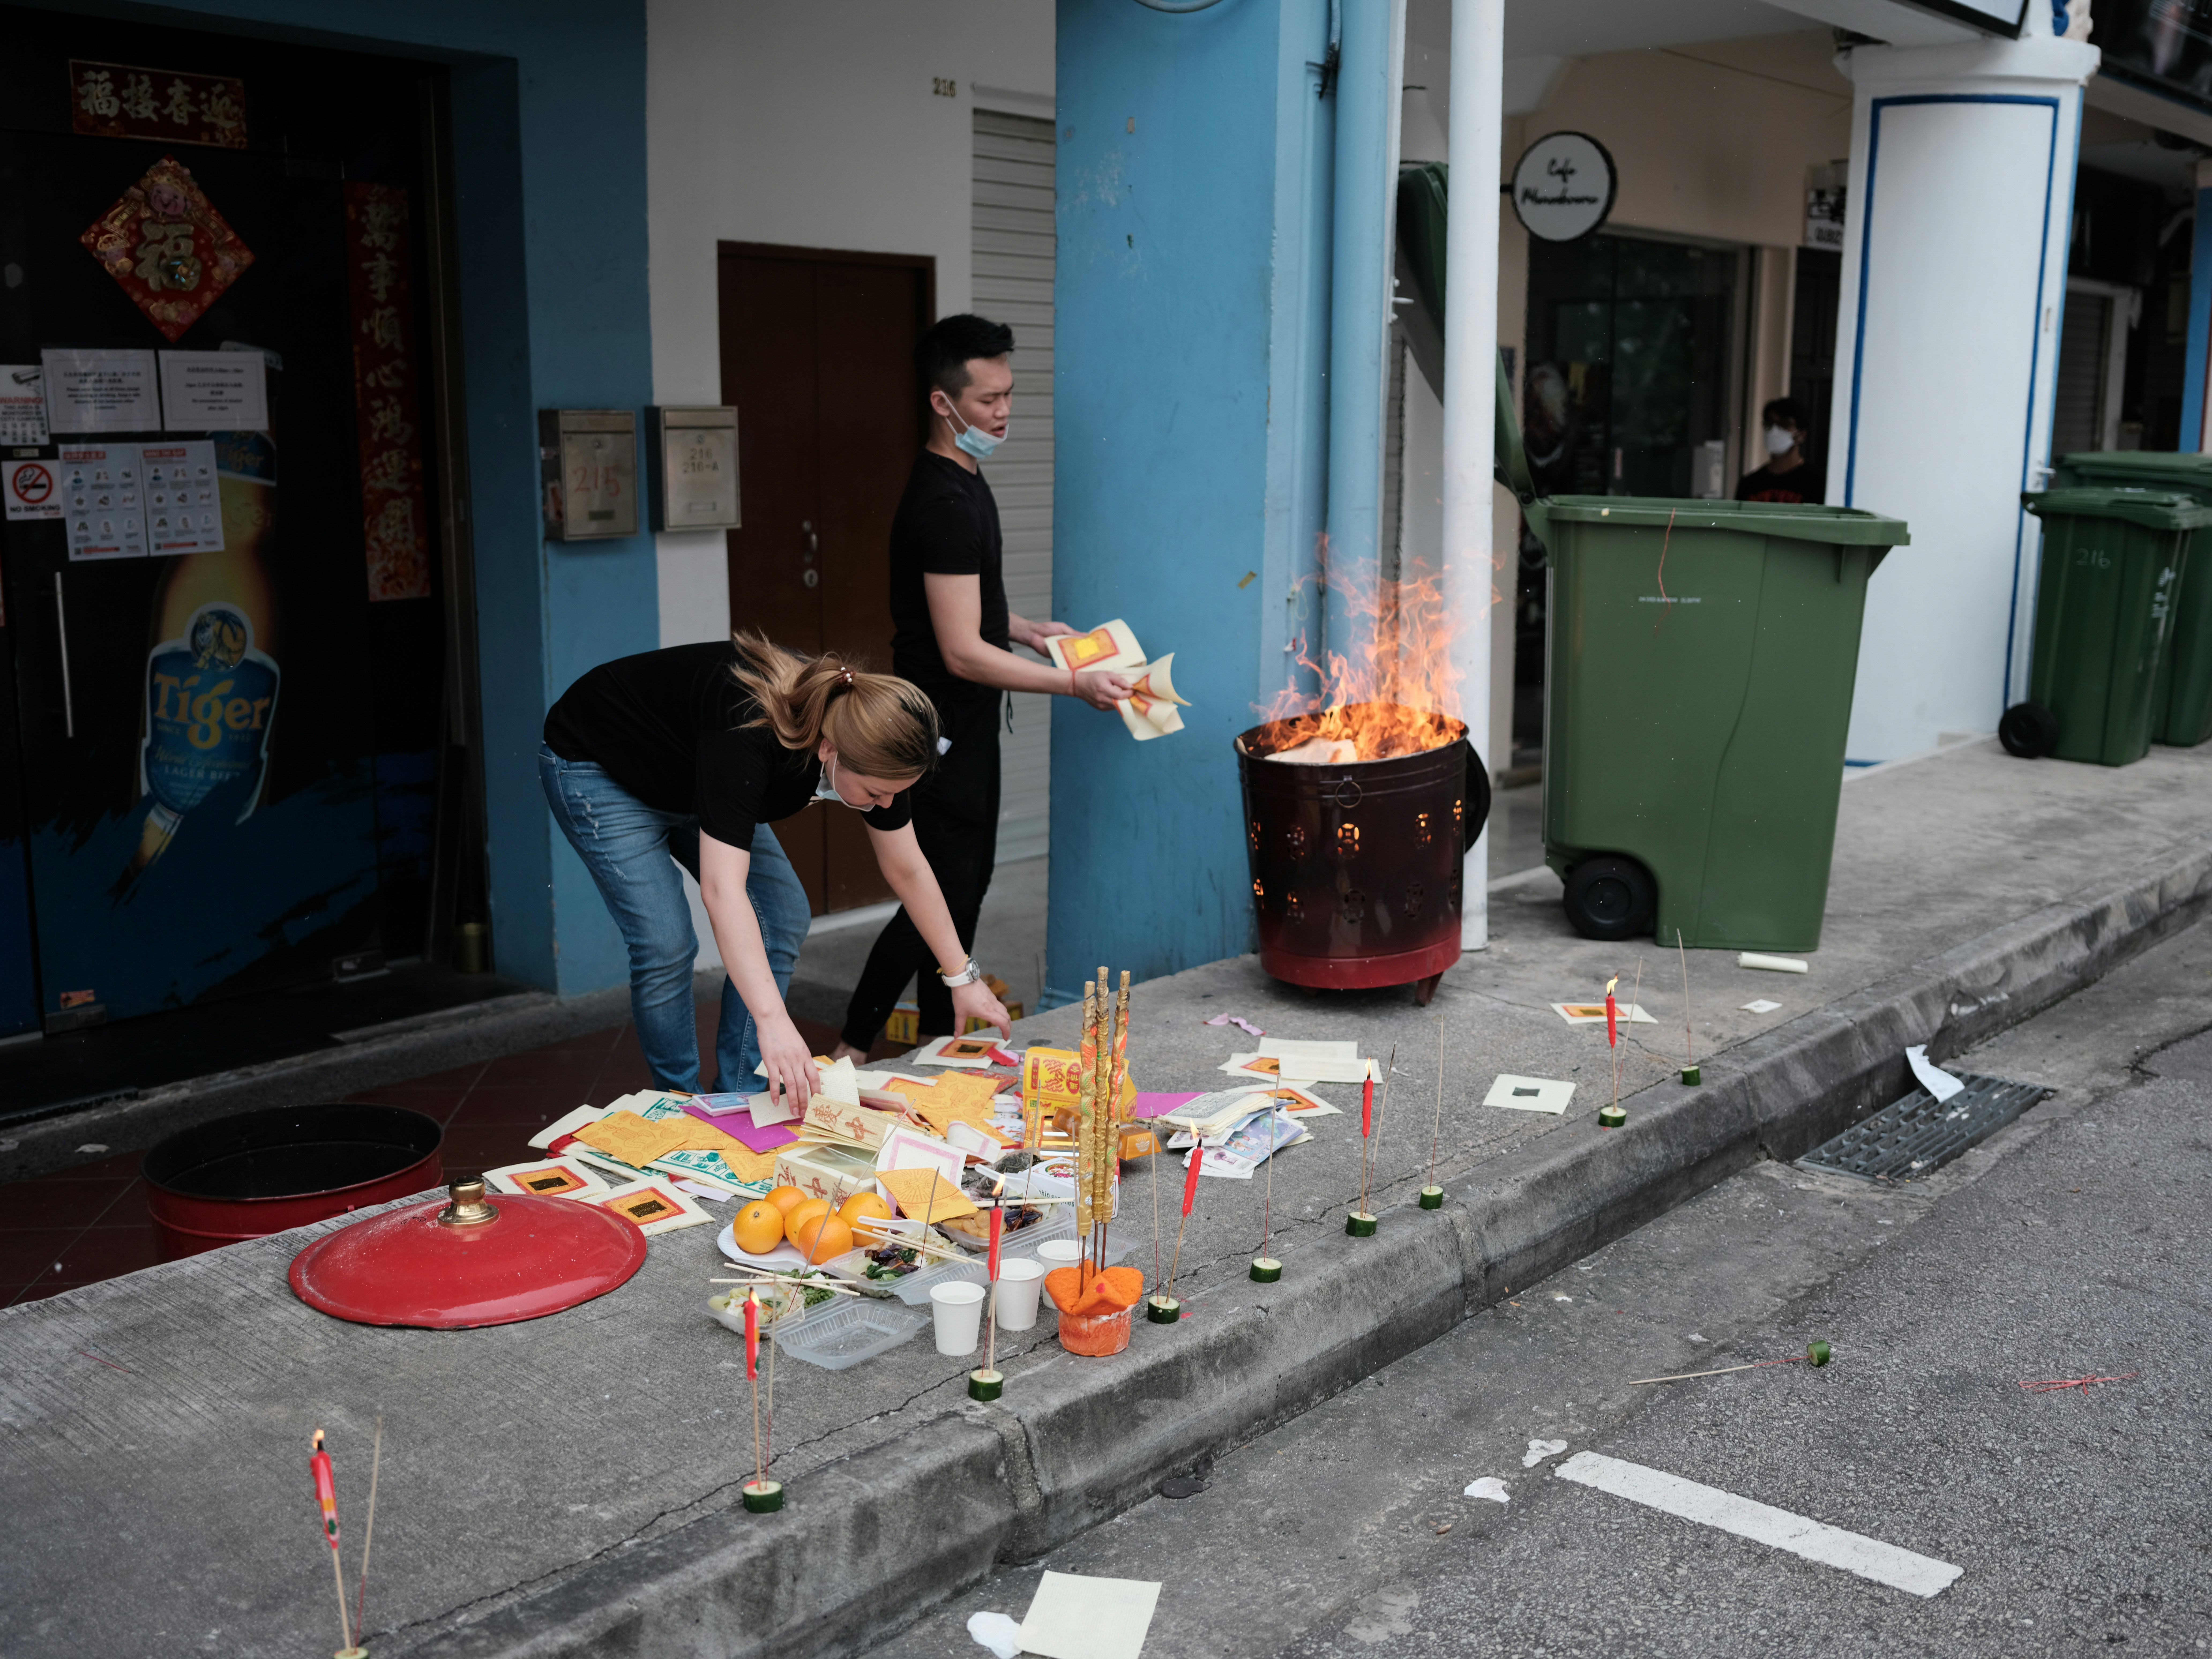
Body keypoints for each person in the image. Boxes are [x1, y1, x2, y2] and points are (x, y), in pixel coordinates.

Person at [832, 313, 1134, 1060]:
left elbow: (969, 608)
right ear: (943, 403)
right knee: (937, 890)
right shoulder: (942, 503)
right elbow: (962, 652)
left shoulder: (963, 478)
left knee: (962, 886)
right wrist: (1071, 683)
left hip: (964, 722)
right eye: (987, 400)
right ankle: (853, 1045)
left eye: (1008, 395)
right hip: (936, 728)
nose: (1003, 412)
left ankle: (941, 1039)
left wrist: (1029, 630)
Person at [541, 632, 1008, 1109]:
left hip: (692, 774)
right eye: (875, 793)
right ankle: (679, 1104)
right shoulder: (749, 736)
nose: (885, 805)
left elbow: (908, 868)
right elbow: (724, 890)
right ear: (829, 750)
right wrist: (772, 1018)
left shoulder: (874, 745)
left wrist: (962, 978)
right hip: (600, 768)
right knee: (667, 943)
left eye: (895, 792)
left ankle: (739, 1095)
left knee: (782, 912)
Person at [1736, 396, 1826, 505]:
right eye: (1770, 424)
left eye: (1785, 424)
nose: (1775, 431)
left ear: (1802, 435)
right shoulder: (1749, 483)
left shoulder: (1817, 482)